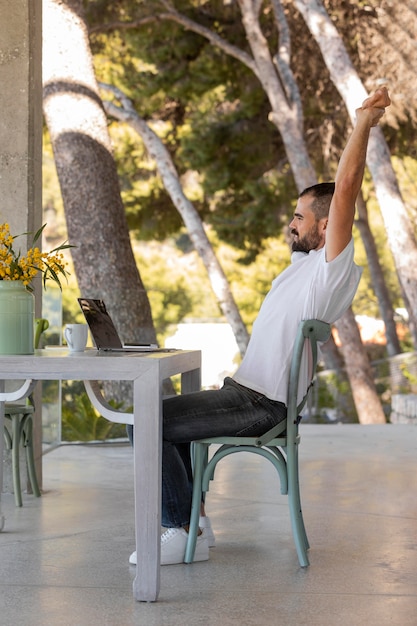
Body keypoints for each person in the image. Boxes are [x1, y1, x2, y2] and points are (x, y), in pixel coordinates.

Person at [129, 87, 391, 566]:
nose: (291, 223)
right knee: (163, 415)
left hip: (260, 405)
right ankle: (193, 526)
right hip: (247, 394)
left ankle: (177, 529)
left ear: (327, 222)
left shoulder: (328, 269)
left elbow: (348, 184)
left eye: (299, 216)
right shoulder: (304, 268)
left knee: (150, 423)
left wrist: (362, 123)